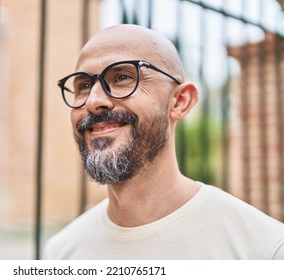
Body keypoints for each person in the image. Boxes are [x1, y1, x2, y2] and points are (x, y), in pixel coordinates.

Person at [44, 24, 284, 259]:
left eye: (123, 77)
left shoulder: (265, 249)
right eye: (84, 85)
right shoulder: (60, 252)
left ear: (179, 102)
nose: (93, 101)